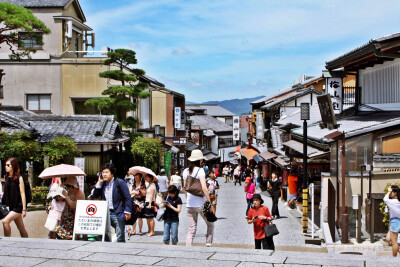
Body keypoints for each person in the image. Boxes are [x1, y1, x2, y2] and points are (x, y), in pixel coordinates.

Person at [92, 163, 132, 242]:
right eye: (103, 172)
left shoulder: (119, 182)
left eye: (106, 172)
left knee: (120, 235)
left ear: (112, 173)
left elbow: (127, 197)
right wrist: (99, 183)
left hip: (118, 212)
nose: (104, 175)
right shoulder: (103, 184)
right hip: (106, 212)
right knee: (104, 234)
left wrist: (127, 211)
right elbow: (95, 195)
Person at [183, 149, 214, 247]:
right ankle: (208, 243)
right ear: (200, 160)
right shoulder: (200, 170)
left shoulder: (185, 171)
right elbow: (204, 188)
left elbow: (185, 188)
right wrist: (209, 203)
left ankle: (188, 246)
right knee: (210, 224)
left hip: (189, 204)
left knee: (192, 228)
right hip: (200, 204)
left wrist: (188, 199)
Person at [1, 158, 28, 237]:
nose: (6, 166)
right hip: (12, 206)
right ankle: (27, 243)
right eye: (5, 165)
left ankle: (7, 241)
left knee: (5, 221)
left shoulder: (19, 178)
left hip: (18, 206)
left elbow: (23, 194)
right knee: (21, 228)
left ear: (13, 166)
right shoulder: (6, 177)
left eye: (8, 165)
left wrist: (24, 209)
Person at [54, 175, 85, 239]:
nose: (68, 188)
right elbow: (66, 203)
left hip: (74, 218)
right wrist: (63, 212)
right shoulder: (70, 192)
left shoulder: (80, 194)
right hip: (67, 218)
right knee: (58, 231)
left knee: (69, 235)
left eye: (68, 186)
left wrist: (66, 196)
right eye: (67, 186)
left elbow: (73, 206)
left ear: (73, 186)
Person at [128, 173, 146, 237]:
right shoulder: (132, 186)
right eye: (135, 177)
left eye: (137, 177)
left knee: (140, 217)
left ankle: (140, 230)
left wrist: (140, 188)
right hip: (134, 202)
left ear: (140, 178)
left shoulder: (143, 185)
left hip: (140, 202)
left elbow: (144, 194)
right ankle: (134, 230)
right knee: (134, 216)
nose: (136, 178)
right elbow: (129, 193)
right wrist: (134, 192)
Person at [384, 185, 400, 257]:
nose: (390, 194)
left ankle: (394, 259)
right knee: (389, 239)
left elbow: (385, 199)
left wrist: (388, 192)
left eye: (391, 192)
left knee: (394, 243)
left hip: (395, 222)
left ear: (395, 192)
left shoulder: (393, 201)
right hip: (397, 220)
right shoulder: (398, 202)